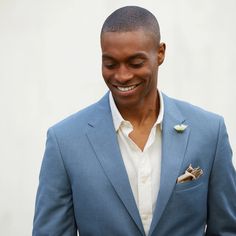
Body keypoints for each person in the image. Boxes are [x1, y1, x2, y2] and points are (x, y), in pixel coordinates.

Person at [33, 6, 236, 236]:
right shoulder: (64, 142)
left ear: (160, 53)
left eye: (135, 63)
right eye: (110, 64)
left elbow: (227, 230)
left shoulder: (210, 132)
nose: (122, 76)